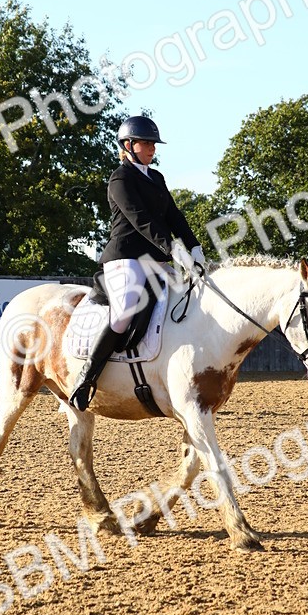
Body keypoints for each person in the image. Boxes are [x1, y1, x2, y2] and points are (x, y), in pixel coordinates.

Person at [69, 115, 205, 411]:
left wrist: (194, 245)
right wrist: (173, 247)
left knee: (188, 299)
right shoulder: (120, 178)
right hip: (126, 257)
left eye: (153, 144)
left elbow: (174, 216)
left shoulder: (156, 178)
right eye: (146, 143)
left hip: (156, 259)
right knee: (123, 314)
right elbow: (139, 219)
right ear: (128, 145)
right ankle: (86, 378)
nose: (152, 148)